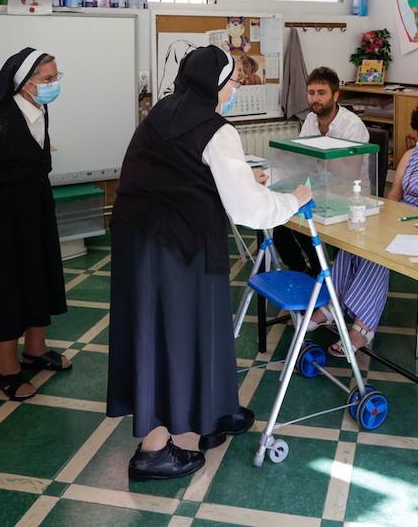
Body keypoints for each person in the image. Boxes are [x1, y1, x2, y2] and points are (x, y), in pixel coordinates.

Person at [106, 46, 311, 482]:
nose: (235, 91)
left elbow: (179, 170)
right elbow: (248, 212)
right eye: (233, 83)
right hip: (177, 247)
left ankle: (211, 411)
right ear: (215, 84)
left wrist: (234, 179)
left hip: (141, 239)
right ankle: (154, 452)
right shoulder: (218, 130)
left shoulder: (164, 111)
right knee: (172, 337)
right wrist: (292, 201)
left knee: (186, 330)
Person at [308, 98, 418, 355]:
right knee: (356, 236)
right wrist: (380, 220)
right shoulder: (411, 155)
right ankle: (332, 305)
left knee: (379, 252)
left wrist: (393, 227)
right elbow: (394, 195)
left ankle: (363, 327)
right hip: (400, 219)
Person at [0, 48, 70, 401]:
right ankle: (6, 367)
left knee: (40, 274)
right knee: (7, 288)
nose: (53, 84)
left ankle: (35, 348)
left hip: (36, 208)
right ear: (23, 83)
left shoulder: (40, 108)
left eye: (56, 77)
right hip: (2, 218)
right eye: (46, 79)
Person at [272, 66, 371, 274]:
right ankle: (308, 274)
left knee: (303, 224)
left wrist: (315, 155)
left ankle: (323, 276)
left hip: (349, 197)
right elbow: (302, 159)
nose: (315, 99)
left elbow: (348, 174)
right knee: (281, 226)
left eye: (321, 93)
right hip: (318, 190)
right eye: (311, 93)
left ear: (336, 95)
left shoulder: (353, 126)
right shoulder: (310, 119)